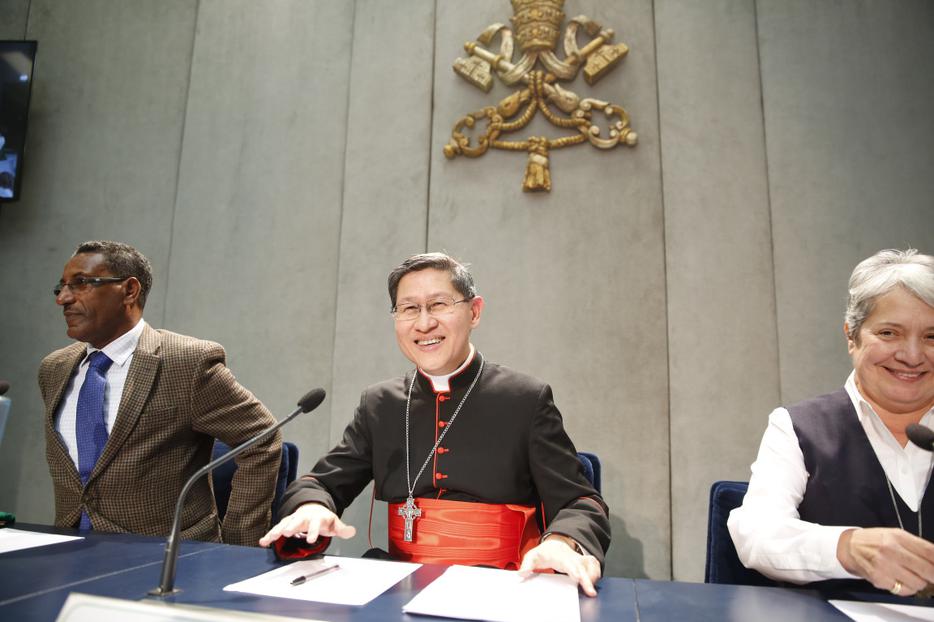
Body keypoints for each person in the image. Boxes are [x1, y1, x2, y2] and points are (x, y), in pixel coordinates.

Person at [259, 252, 610, 596]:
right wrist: (312, 507)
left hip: (501, 586)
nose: (424, 323)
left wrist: (563, 541)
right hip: (399, 586)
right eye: (409, 309)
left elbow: (580, 502)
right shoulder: (380, 403)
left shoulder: (525, 399)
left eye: (439, 304)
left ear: (474, 312)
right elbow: (321, 483)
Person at [41, 240, 282, 546]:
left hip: (164, 558)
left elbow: (261, 439)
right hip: (67, 549)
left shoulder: (187, 362)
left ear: (129, 290)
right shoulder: (54, 369)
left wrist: (238, 549)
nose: (63, 298)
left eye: (81, 284)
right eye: (61, 287)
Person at [729, 248, 934, 596]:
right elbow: (756, 533)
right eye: (888, 333)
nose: (912, 355)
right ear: (851, 337)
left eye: (932, 337)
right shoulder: (798, 427)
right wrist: (848, 547)